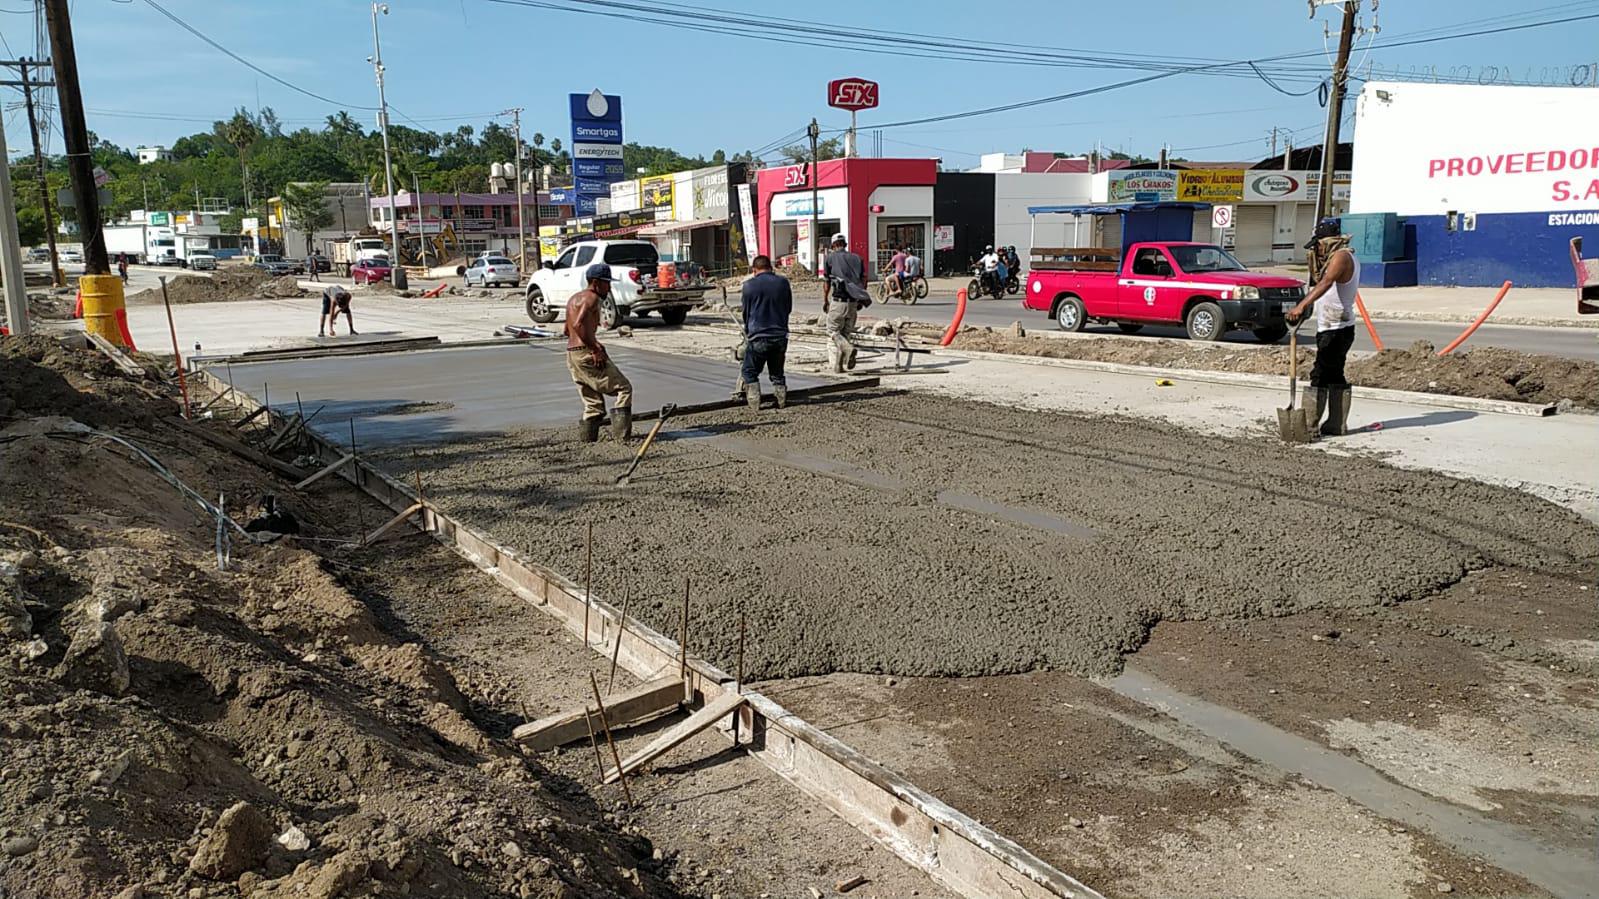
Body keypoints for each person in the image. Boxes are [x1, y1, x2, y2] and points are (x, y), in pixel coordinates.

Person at [1287, 218, 1359, 437]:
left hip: (1337, 328)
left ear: (1327, 241)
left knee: (1320, 375)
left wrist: (1301, 306)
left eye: (1318, 245)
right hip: (1333, 326)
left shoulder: (1342, 257)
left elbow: (1326, 283)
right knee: (1334, 374)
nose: (1316, 250)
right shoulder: (1338, 256)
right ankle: (1336, 424)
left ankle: (1309, 426)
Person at [565, 262, 634, 443]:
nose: (609, 287)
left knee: (593, 404)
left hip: (572, 355)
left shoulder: (573, 299)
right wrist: (594, 348)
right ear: (595, 282)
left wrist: (591, 341)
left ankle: (588, 442)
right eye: (606, 283)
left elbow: (567, 330)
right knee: (624, 388)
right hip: (586, 353)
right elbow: (578, 324)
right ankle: (622, 438)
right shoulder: (592, 298)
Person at [738, 254, 792, 410]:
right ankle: (781, 400)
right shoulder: (783, 282)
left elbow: (746, 312)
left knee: (749, 371)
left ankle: (754, 402)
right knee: (777, 371)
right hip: (780, 335)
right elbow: (788, 307)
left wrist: (748, 331)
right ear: (770, 267)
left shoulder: (749, 285)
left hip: (758, 336)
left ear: (754, 270)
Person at [822, 233, 868, 373]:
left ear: (834, 245)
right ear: (845, 244)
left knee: (833, 332)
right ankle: (839, 366)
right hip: (853, 302)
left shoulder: (830, 258)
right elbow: (864, 280)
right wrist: (860, 298)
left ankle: (848, 349)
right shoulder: (857, 258)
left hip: (838, 301)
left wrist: (825, 300)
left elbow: (827, 282)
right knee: (846, 334)